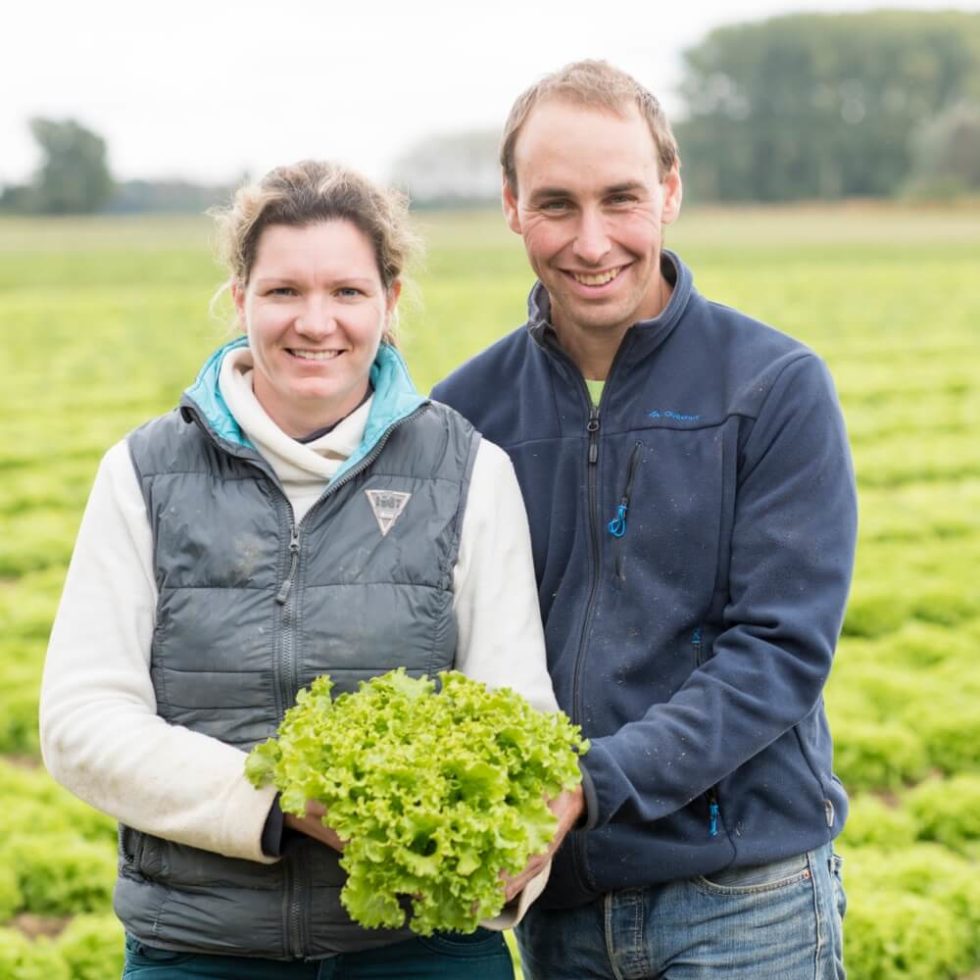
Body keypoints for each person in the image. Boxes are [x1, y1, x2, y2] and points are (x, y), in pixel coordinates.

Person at [40, 160, 564, 979]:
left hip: (419, 951)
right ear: (240, 295)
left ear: (390, 302)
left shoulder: (468, 470)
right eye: (284, 291)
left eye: (348, 293)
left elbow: (515, 716)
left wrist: (493, 856)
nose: (315, 323)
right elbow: (81, 723)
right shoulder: (143, 472)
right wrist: (284, 801)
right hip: (204, 949)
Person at [432, 60, 856, 979]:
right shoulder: (462, 416)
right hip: (559, 912)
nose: (591, 243)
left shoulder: (774, 388)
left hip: (744, 902)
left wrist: (589, 785)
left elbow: (780, 652)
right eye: (555, 205)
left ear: (670, 189)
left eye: (621, 199)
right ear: (510, 205)